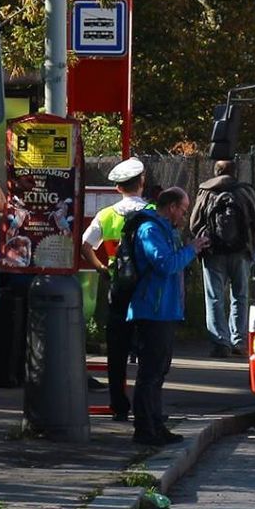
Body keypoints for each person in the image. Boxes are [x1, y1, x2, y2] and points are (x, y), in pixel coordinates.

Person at [126, 187, 208, 446]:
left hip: (166, 309)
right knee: (150, 372)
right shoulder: (150, 230)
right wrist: (191, 249)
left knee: (159, 371)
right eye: (183, 210)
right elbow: (165, 264)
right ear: (171, 207)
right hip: (152, 310)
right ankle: (144, 428)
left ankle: (156, 424)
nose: (184, 216)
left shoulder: (165, 230)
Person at [80, 158, 153, 423]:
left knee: (117, 350)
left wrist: (102, 268)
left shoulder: (106, 214)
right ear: (141, 182)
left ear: (118, 188)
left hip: (118, 287)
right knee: (148, 350)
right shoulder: (153, 212)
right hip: (147, 290)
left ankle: (118, 405)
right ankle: (146, 406)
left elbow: (85, 246)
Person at [192, 160, 255, 358]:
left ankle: (221, 342)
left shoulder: (205, 191)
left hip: (213, 253)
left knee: (214, 297)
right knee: (240, 295)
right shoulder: (245, 191)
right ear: (235, 171)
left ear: (216, 171)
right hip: (240, 252)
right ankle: (239, 341)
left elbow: (195, 222)